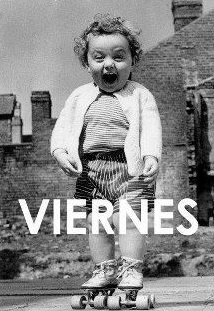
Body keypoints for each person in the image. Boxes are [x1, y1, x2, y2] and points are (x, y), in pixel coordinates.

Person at [51, 14, 162, 289]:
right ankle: (104, 270)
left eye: (119, 56)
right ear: (87, 64)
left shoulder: (139, 95)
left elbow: (150, 126)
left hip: (130, 169)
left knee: (128, 218)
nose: (109, 64)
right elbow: (63, 128)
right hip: (91, 171)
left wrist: (151, 156)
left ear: (132, 61)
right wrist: (60, 152)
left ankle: (131, 269)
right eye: (99, 58)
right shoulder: (78, 97)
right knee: (96, 223)